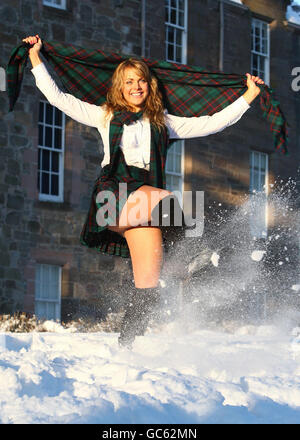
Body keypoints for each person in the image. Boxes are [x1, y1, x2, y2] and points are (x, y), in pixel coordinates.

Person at [22, 35, 265, 348]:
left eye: (141, 81)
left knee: (147, 286)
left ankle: (126, 347)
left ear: (150, 86)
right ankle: (197, 256)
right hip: (112, 199)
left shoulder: (164, 122)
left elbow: (212, 123)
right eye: (128, 82)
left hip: (146, 208)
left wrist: (249, 96)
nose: (135, 87)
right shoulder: (105, 116)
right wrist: (35, 58)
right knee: (173, 202)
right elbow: (58, 98)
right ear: (119, 88)